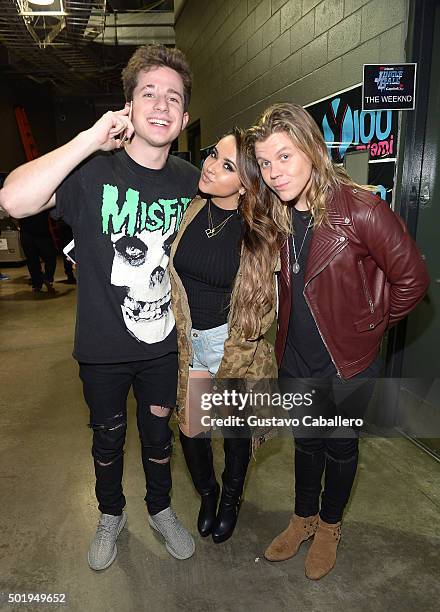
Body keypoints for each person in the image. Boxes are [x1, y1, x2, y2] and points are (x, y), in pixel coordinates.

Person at [0, 44, 200, 570]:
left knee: (159, 436)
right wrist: (89, 140)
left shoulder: (191, 181)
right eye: (148, 93)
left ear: (183, 116)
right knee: (107, 440)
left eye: (172, 98)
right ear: (128, 107)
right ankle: (110, 513)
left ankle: (160, 508)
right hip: (102, 347)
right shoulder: (92, 172)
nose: (160, 105)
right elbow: (14, 201)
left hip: (164, 346)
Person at [246, 102, 430, 579]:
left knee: (340, 447)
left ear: (311, 148)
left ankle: (329, 526)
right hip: (296, 356)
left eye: (284, 157)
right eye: (265, 163)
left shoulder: (361, 209)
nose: (274, 173)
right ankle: (302, 519)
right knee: (306, 443)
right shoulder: (279, 214)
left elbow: (413, 279)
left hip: (348, 363)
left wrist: (369, 326)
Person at [169, 128, 281, 543]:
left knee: (236, 432)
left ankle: (231, 498)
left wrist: (230, 368)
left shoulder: (258, 233)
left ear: (247, 182)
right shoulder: (192, 211)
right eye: (213, 154)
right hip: (187, 342)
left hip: (230, 345)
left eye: (227, 165)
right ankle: (208, 493)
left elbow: (258, 313)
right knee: (192, 428)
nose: (211, 166)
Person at [19, 210, 57, 294]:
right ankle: (47, 279)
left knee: (32, 261)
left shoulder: (20, 199)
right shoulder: (40, 198)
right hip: (41, 232)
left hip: (27, 233)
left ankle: (37, 284)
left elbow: (12, 215)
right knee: (50, 257)